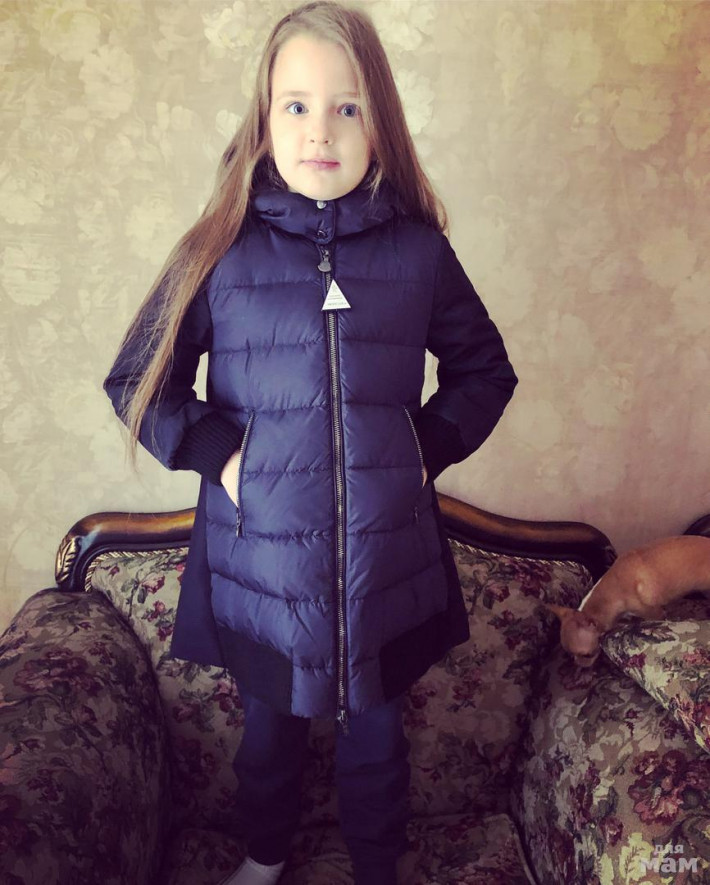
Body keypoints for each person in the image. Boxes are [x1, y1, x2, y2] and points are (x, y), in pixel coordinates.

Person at [103, 2, 518, 883]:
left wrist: (421, 449)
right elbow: (138, 381)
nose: (320, 130)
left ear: (380, 123)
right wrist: (222, 456)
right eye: (296, 105)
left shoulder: (419, 253)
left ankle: (377, 863)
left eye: (347, 106)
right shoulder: (219, 250)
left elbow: (485, 370)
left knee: (378, 736)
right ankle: (264, 855)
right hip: (262, 566)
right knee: (268, 731)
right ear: (264, 119)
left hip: (385, 561)